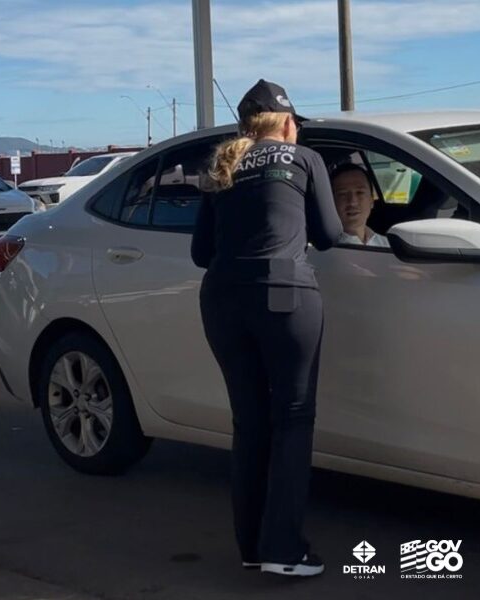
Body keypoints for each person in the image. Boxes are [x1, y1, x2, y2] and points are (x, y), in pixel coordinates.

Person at [191, 79, 342, 577]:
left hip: (221, 299)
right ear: (288, 123)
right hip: (285, 295)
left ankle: (254, 548)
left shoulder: (220, 166)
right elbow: (330, 233)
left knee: (249, 422)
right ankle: (284, 549)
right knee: (293, 418)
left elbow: (199, 253)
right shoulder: (303, 160)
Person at [330, 163, 390, 247]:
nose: (352, 202)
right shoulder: (319, 250)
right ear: (331, 202)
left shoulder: (386, 245)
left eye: (360, 192)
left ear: (371, 200)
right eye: (342, 194)